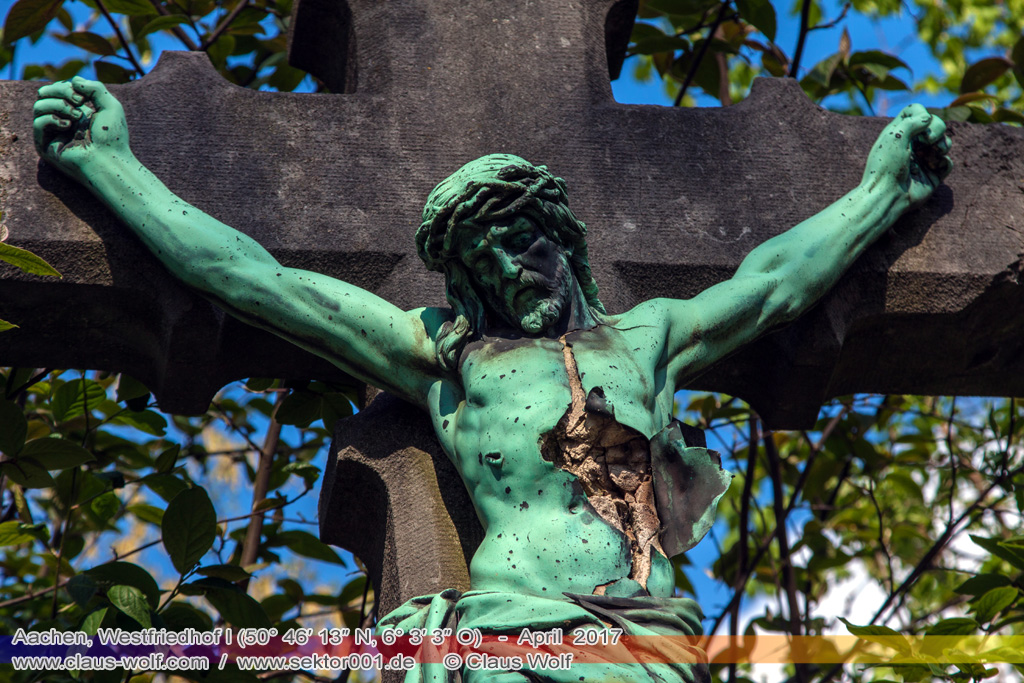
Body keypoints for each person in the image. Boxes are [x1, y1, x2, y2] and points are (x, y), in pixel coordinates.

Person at [34, 77, 951, 682]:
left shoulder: (652, 336)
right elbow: (251, 277)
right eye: (481, 263)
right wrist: (110, 166)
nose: (512, 274)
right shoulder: (446, 357)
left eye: (519, 243)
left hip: (642, 636)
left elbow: (776, 282)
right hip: (501, 632)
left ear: (562, 237)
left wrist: (882, 192)